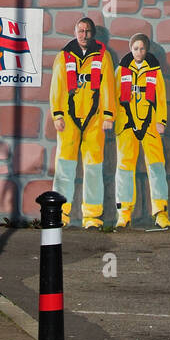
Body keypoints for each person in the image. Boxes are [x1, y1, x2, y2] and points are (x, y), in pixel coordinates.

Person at [49, 16, 114, 229]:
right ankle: (61, 214)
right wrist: (57, 115)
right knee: (65, 167)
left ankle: (92, 217)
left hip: (94, 120)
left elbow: (108, 88)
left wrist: (107, 116)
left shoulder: (103, 57)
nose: (83, 35)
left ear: (92, 33)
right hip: (69, 119)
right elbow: (57, 86)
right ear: (75, 32)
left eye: (87, 31)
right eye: (80, 30)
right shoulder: (64, 56)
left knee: (93, 167)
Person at [114, 32, 170, 230]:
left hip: (150, 125)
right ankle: (124, 213)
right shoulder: (121, 70)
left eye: (141, 48)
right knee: (124, 167)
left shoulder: (154, 71)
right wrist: (114, 121)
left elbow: (161, 97)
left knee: (156, 167)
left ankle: (161, 213)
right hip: (126, 125)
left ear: (146, 49)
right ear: (130, 49)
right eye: (135, 48)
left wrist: (161, 121)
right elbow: (115, 97)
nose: (138, 52)